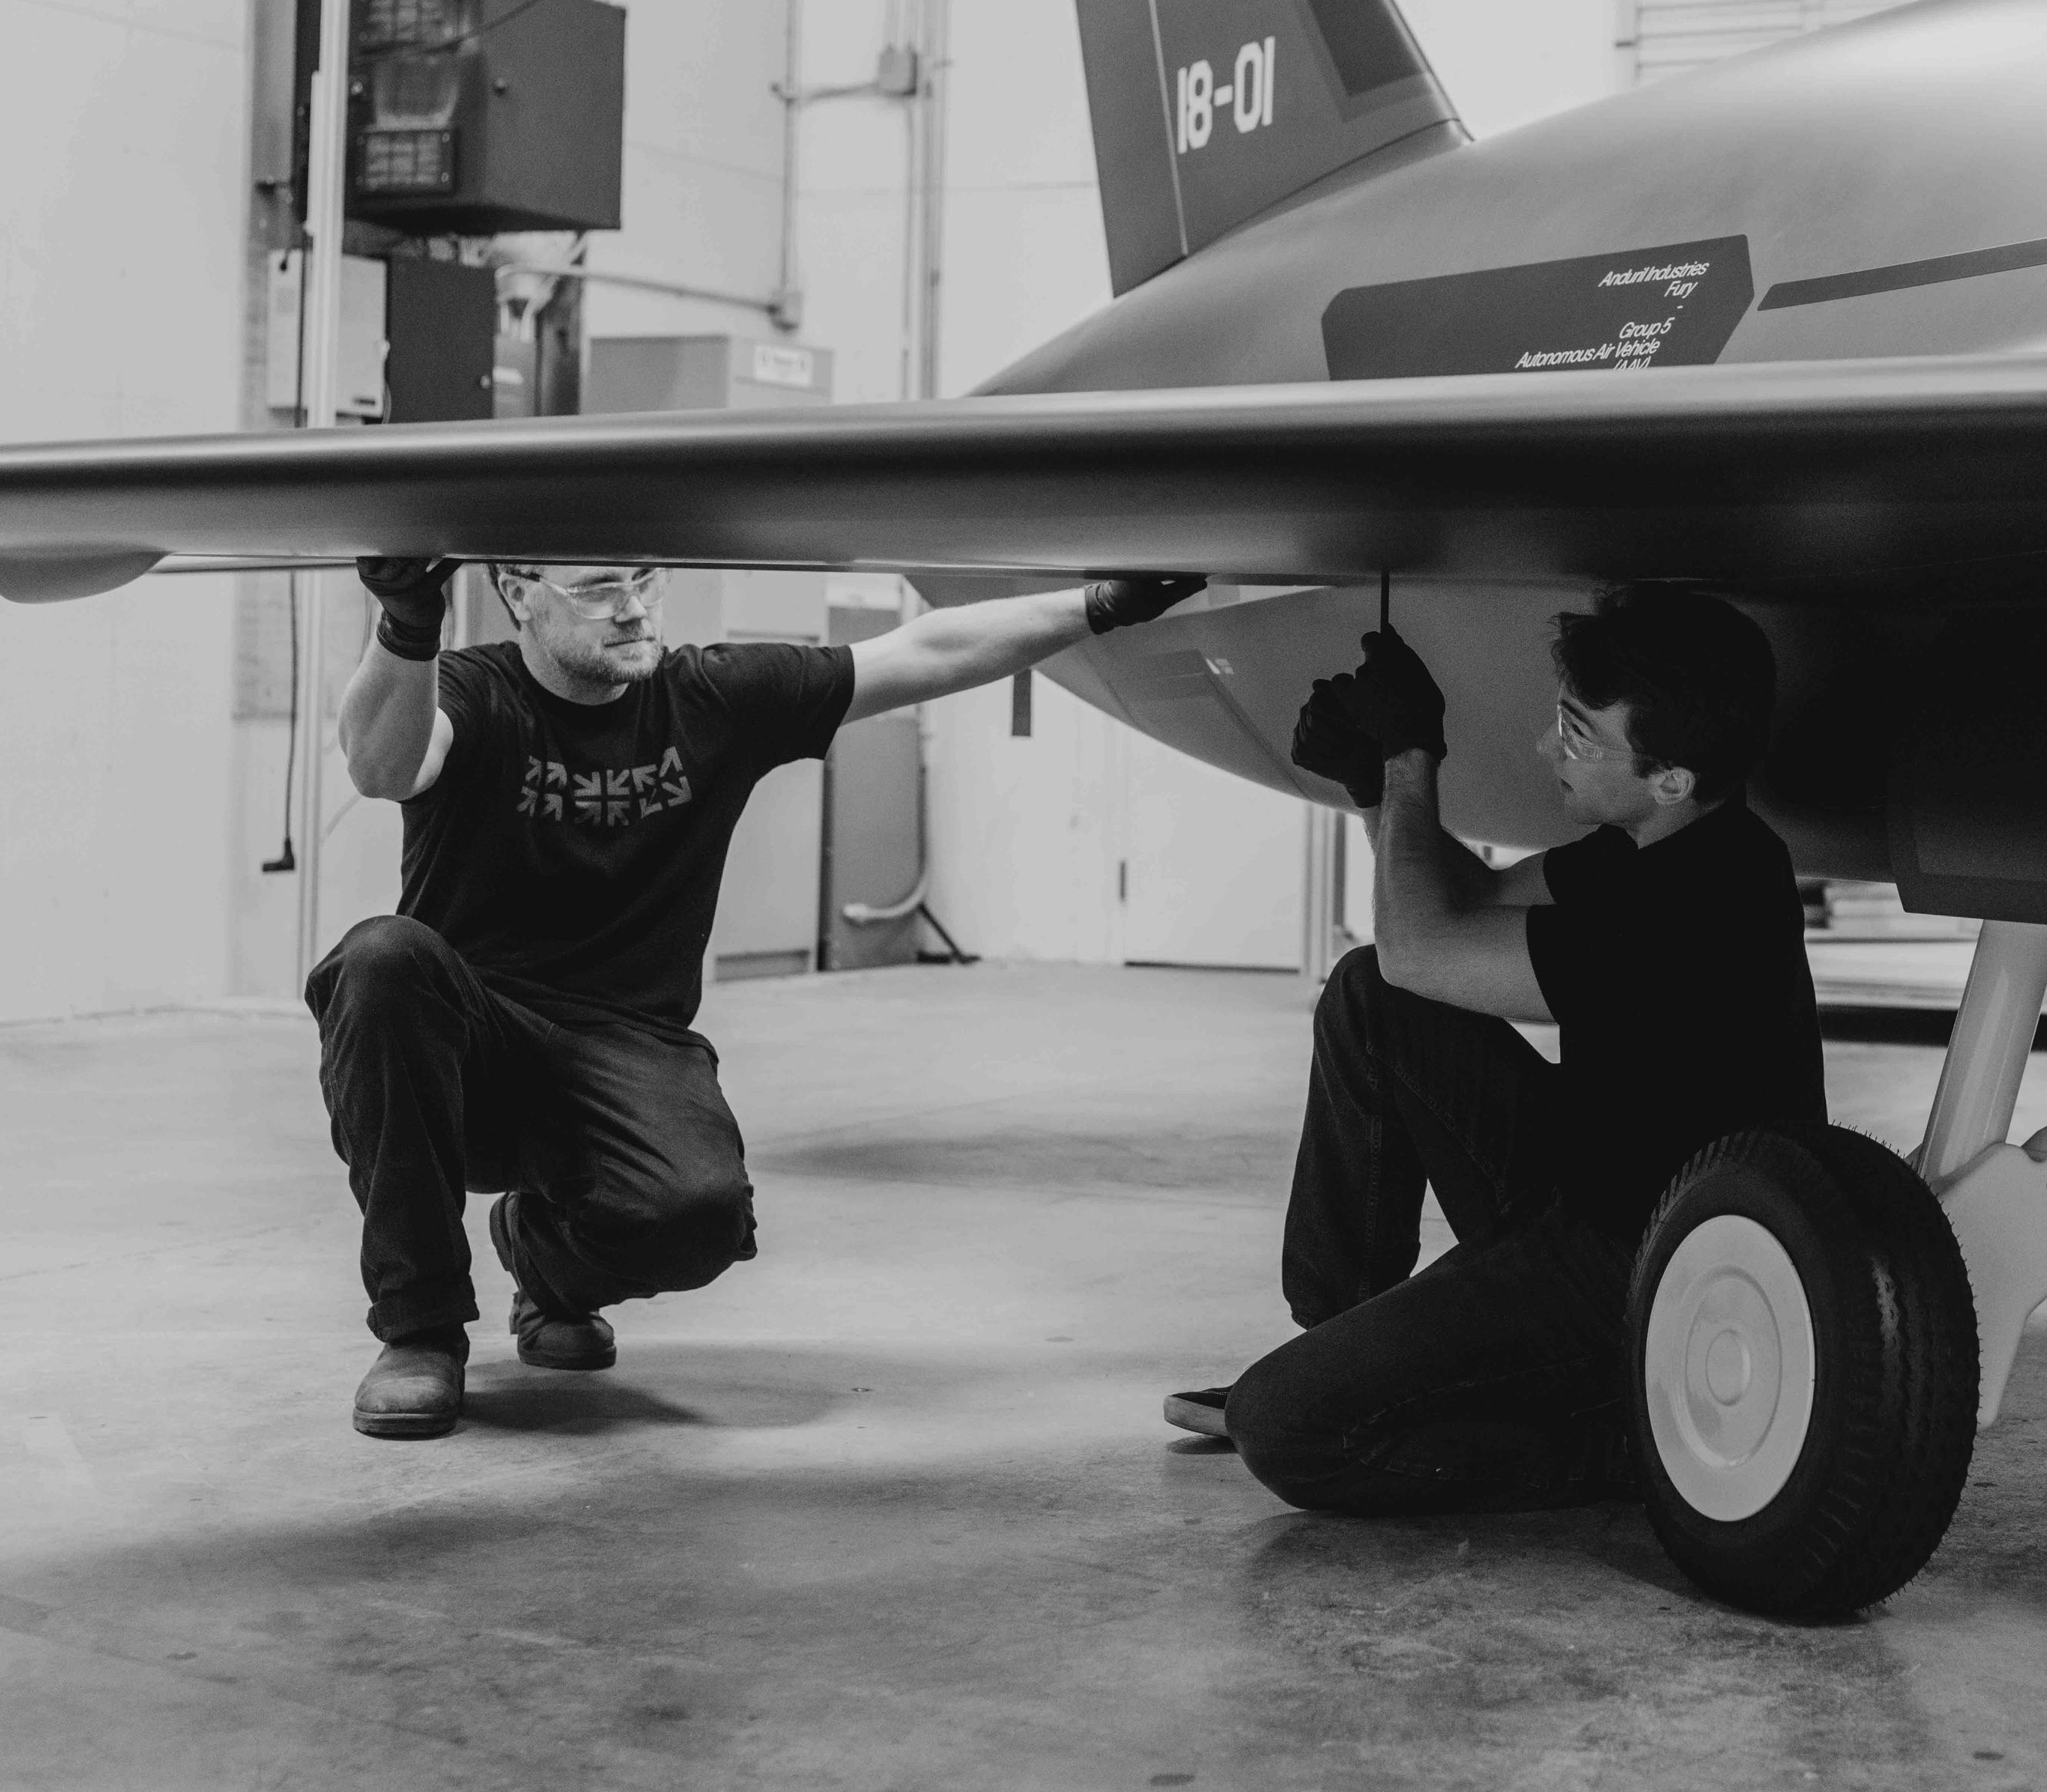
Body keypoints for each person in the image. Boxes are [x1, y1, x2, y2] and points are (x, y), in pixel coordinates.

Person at [323, 556, 1201, 1439]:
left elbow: (923, 650)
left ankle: (544, 1261)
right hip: (467, 1051)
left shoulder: (712, 697)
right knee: (382, 959)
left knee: (699, 1219)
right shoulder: (474, 691)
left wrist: (1098, 606)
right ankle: (420, 1332)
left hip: (628, 1043)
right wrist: (406, 622)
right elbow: (382, 767)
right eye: (596, 590)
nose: (632, 610)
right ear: (519, 594)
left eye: (645, 581)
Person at [1168, 583, 1824, 1514]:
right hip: (1589, 1184)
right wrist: (1373, 785)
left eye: (1580, 735)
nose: (1546, 749)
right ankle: (1336, 1343)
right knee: (1368, 996)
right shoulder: (1662, 840)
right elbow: (1461, 905)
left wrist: (1409, 756)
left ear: (1670, 774)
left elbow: (1422, 946)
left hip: (1648, 1267)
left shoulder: (1698, 909)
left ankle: (1622, 1445)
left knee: (1287, 1430)